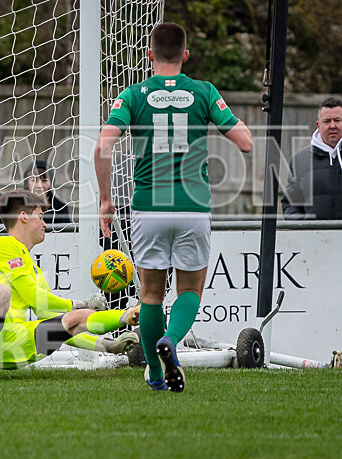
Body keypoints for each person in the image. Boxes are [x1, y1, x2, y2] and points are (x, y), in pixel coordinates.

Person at [95, 22, 253, 392]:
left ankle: (153, 368)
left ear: (149, 55)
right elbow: (245, 143)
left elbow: (103, 144)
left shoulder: (134, 94)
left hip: (148, 206)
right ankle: (171, 340)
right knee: (190, 291)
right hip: (192, 206)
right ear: (185, 55)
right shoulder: (204, 91)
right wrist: (232, 122)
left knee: (150, 295)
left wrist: (105, 200)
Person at [0, 190, 140, 380]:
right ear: (23, 216)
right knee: (0, 292)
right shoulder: (2, 245)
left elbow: (62, 325)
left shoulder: (34, 272)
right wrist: (79, 303)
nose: (44, 223)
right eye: (40, 217)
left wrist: (107, 345)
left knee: (75, 318)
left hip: (10, 351)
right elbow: (33, 297)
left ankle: (128, 316)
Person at [281, 98, 342, 219]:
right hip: (313, 237)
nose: (332, 126)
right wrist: (304, 227)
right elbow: (291, 204)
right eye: (327, 121)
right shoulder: (300, 159)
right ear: (318, 124)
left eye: (337, 120)